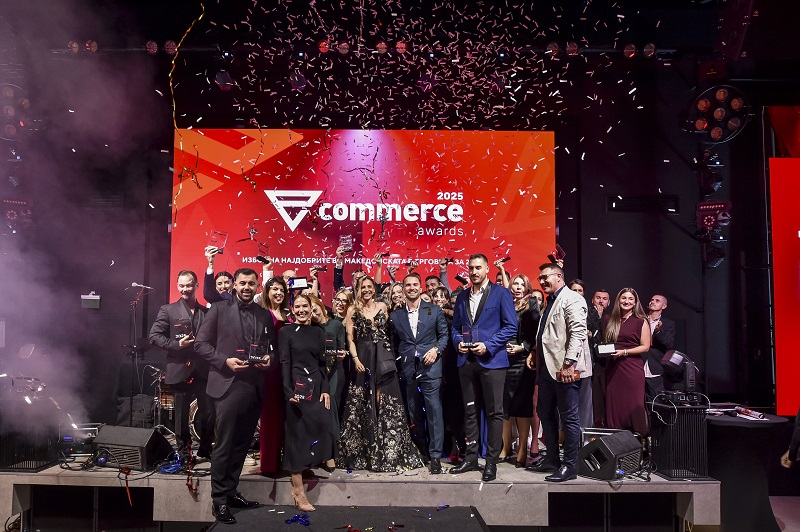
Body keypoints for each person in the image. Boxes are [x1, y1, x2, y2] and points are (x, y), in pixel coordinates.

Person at [194, 268, 275, 525]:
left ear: (257, 285)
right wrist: (224, 361)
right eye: (242, 283)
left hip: (254, 385)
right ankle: (219, 499)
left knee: (242, 444)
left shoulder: (264, 314)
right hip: (228, 384)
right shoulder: (218, 309)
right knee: (225, 444)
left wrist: (269, 359)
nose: (247, 287)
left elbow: (272, 348)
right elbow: (200, 344)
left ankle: (231, 491)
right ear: (234, 285)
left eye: (251, 283)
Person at [337, 276, 424, 471]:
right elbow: (350, 339)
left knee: (384, 400)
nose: (366, 290)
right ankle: (366, 453)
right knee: (362, 402)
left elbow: (391, 332)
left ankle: (388, 450)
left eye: (369, 286)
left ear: (374, 289)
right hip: (363, 357)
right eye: (363, 287)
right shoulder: (353, 310)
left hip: (384, 358)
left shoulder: (383, 307)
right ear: (358, 290)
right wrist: (355, 359)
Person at [449, 254, 517, 482]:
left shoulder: (501, 293)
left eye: (478, 267)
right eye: (471, 268)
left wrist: (488, 345)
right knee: (469, 411)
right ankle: (470, 458)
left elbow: (511, 327)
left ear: (487, 269)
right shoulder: (462, 296)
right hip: (466, 361)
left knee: (494, 413)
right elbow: (455, 327)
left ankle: (491, 462)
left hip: (492, 361)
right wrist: (458, 341)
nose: (474, 271)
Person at [527, 263, 587, 482]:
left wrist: (569, 363)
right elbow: (546, 334)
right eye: (540, 278)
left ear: (559, 276)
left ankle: (570, 466)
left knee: (569, 418)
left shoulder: (572, 298)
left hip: (565, 368)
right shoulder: (551, 300)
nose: (542, 281)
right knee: (545, 412)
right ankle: (552, 459)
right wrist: (534, 351)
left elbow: (578, 332)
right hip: (547, 368)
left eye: (546, 277)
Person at [148, 270, 214, 460]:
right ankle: (184, 453)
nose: (185, 289)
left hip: (204, 370)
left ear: (197, 286)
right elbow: (154, 337)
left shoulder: (206, 312)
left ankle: (205, 450)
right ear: (177, 286)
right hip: (179, 368)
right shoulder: (167, 310)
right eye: (182, 285)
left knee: (209, 413)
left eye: (189, 285)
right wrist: (177, 345)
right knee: (181, 416)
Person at [279, 294, 335, 512]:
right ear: (292, 310)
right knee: (296, 436)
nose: (301, 310)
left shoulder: (318, 332)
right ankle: (298, 490)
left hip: (316, 386)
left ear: (312, 308)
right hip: (296, 387)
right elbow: (285, 362)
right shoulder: (286, 332)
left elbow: (322, 364)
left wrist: (326, 389)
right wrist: (288, 390)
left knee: (319, 428)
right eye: (298, 306)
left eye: (305, 306)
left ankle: (307, 466)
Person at [390, 273, 449, 474]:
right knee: (413, 412)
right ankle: (422, 451)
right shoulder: (395, 315)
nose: (412, 288)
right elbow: (393, 344)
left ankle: (435, 456)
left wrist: (436, 350)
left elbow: (444, 336)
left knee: (434, 412)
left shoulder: (434, 310)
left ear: (421, 287)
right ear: (403, 289)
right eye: (408, 285)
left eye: (415, 284)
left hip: (430, 367)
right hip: (408, 369)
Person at [500, 274, 540, 468]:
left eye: (521, 284)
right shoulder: (505, 303)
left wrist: (523, 347)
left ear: (527, 288)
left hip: (523, 360)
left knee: (522, 406)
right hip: (502, 359)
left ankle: (522, 449)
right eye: (515, 283)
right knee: (504, 406)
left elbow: (536, 332)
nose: (517, 287)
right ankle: (506, 447)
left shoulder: (531, 303)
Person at [602, 288, 652, 437]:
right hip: (613, 368)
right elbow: (605, 342)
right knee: (615, 405)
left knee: (633, 404)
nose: (626, 301)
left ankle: (639, 441)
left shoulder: (641, 321)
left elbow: (645, 347)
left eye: (630, 299)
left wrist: (624, 352)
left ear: (635, 303)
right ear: (618, 300)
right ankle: (616, 440)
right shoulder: (610, 319)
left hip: (631, 368)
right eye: (623, 298)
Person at [257, 277, 291, 475]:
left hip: (287, 370)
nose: (278, 293)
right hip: (271, 371)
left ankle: (285, 463)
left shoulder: (287, 313)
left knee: (286, 418)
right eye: (275, 289)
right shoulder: (263, 314)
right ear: (267, 291)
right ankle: (269, 465)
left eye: (282, 290)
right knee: (271, 417)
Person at [309, 294, 346, 472]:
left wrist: (341, 353)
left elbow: (341, 347)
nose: (313, 314)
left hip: (334, 372)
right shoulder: (311, 328)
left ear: (321, 306)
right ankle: (319, 452)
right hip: (317, 373)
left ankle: (331, 453)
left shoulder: (336, 325)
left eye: (314, 309)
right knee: (318, 412)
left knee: (330, 409)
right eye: (310, 311)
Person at [645, 294, 676, 404]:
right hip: (638, 366)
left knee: (656, 403)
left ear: (664, 306)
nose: (653, 302)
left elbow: (668, 344)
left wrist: (658, 332)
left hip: (655, 369)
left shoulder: (668, 324)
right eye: (652, 299)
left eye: (657, 301)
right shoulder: (640, 320)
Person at [590, 289, 611, 427]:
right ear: (592, 300)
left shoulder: (611, 319)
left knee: (603, 397)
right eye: (598, 297)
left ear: (608, 303)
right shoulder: (586, 315)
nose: (601, 301)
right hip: (588, 361)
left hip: (604, 363)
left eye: (604, 299)